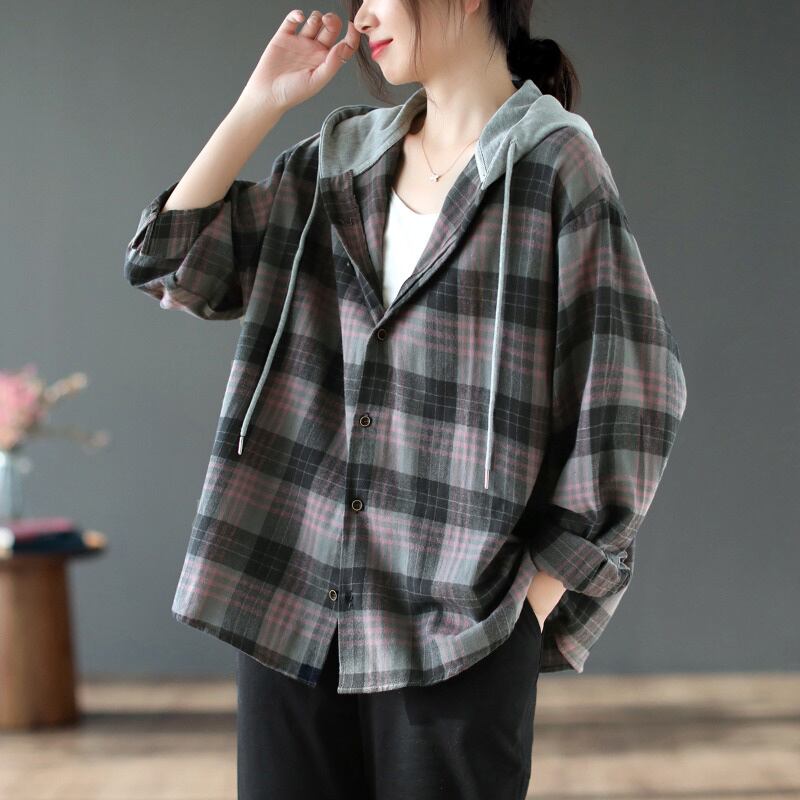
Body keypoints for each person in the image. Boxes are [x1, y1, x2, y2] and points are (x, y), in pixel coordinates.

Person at [123, 2, 688, 798]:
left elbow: (634, 397)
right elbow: (173, 266)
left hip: (455, 629)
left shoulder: (553, 167)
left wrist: (534, 602)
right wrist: (260, 103)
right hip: (290, 601)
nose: (361, 15)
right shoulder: (338, 162)